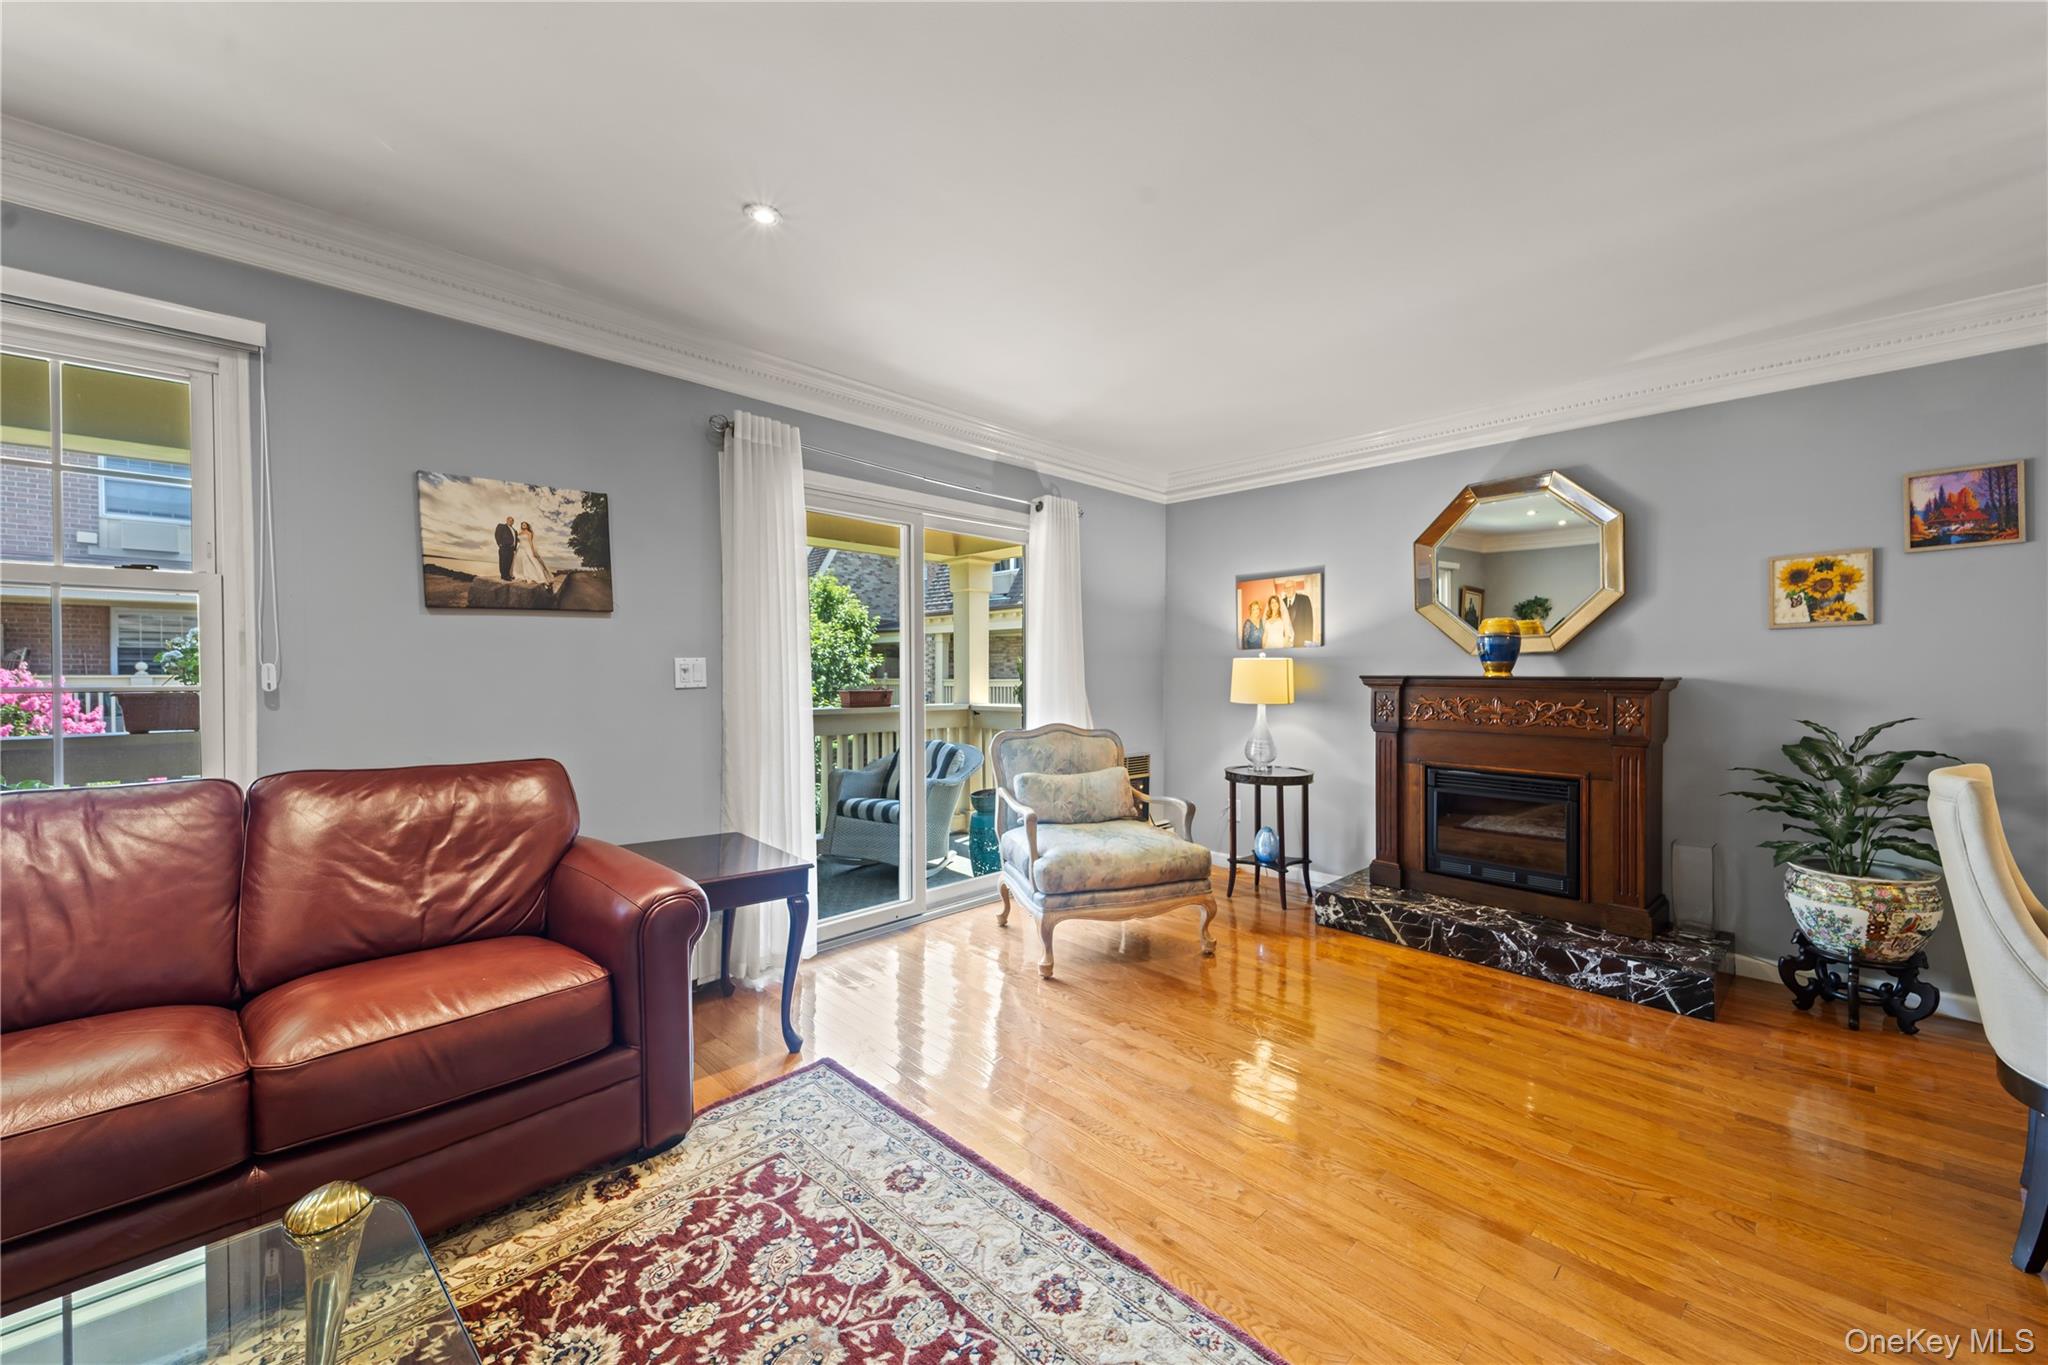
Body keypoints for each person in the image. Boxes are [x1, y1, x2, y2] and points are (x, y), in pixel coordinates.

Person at [510, 520, 554, 585]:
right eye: (522, 525)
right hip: (520, 548)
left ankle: (538, 576)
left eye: (525, 524)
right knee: (519, 561)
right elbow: (518, 540)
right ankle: (521, 575)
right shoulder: (519, 533)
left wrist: (533, 551)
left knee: (530, 561)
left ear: (527, 526)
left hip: (527, 548)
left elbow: (531, 542)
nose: (523, 525)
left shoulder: (529, 533)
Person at [1285, 581, 1315, 646]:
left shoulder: (1304, 599)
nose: (1288, 590)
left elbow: (1309, 621)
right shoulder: (1282, 602)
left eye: (1290, 587)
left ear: (1295, 588)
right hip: (1286, 642)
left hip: (1301, 641)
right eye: (1286, 588)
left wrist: (1308, 641)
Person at [494, 516, 518, 580]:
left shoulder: (515, 531)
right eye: (509, 520)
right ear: (507, 520)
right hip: (504, 547)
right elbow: (497, 535)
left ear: (513, 522)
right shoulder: (501, 526)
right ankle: (503, 576)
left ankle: (507, 575)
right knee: (503, 562)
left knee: (509, 562)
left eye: (512, 520)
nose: (511, 521)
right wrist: (499, 544)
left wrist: (514, 548)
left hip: (511, 548)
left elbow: (515, 540)